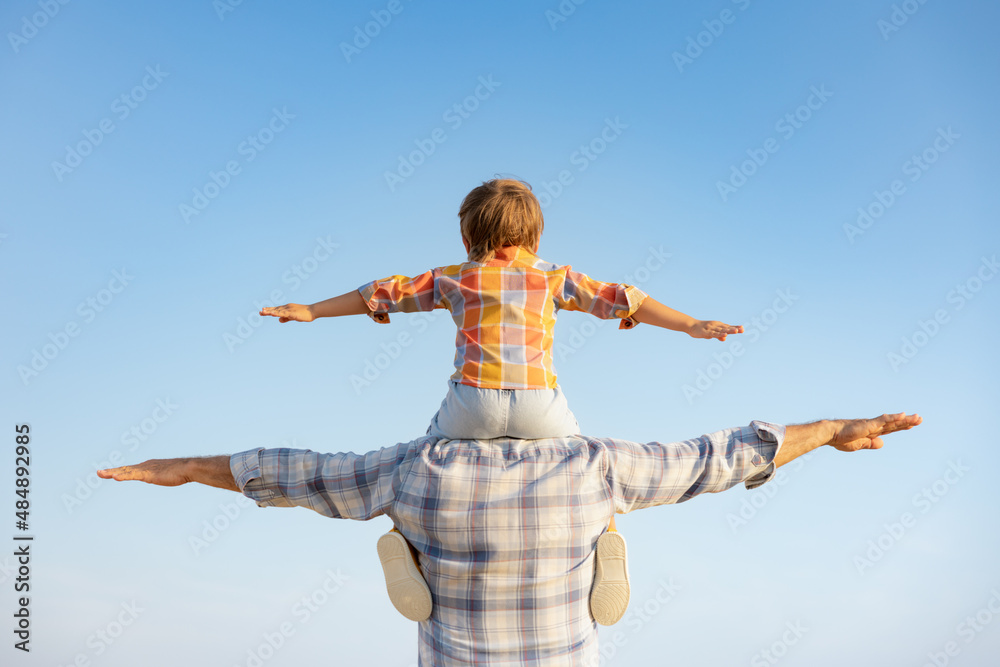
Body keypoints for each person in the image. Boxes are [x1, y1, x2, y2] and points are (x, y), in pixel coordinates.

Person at [255, 178, 744, 624]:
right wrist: (692, 324)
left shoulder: (454, 277)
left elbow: (379, 294)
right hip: (539, 407)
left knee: (420, 461)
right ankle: (607, 538)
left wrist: (311, 311)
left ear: (468, 239)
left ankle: (406, 543)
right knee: (585, 458)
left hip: (471, 406)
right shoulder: (555, 278)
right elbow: (626, 297)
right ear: (536, 238)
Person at [98, 412, 922, 666]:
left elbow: (291, 470)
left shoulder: (414, 467)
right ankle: (600, 551)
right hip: (563, 604)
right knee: (636, 500)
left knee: (360, 498)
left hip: (454, 611)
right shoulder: (594, 464)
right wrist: (835, 429)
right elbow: (719, 458)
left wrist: (171, 465)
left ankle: (413, 560)